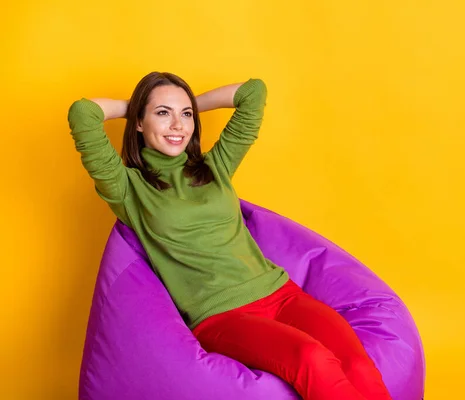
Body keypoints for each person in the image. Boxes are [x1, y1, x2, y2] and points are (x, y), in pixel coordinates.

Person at [68, 71, 393, 400]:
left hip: (282, 293)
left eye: (186, 114)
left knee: (355, 361)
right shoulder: (128, 188)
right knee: (312, 358)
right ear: (138, 122)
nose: (178, 125)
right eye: (163, 113)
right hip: (222, 315)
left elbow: (252, 93)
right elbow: (83, 114)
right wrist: (135, 105)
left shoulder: (214, 168)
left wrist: (185, 104)